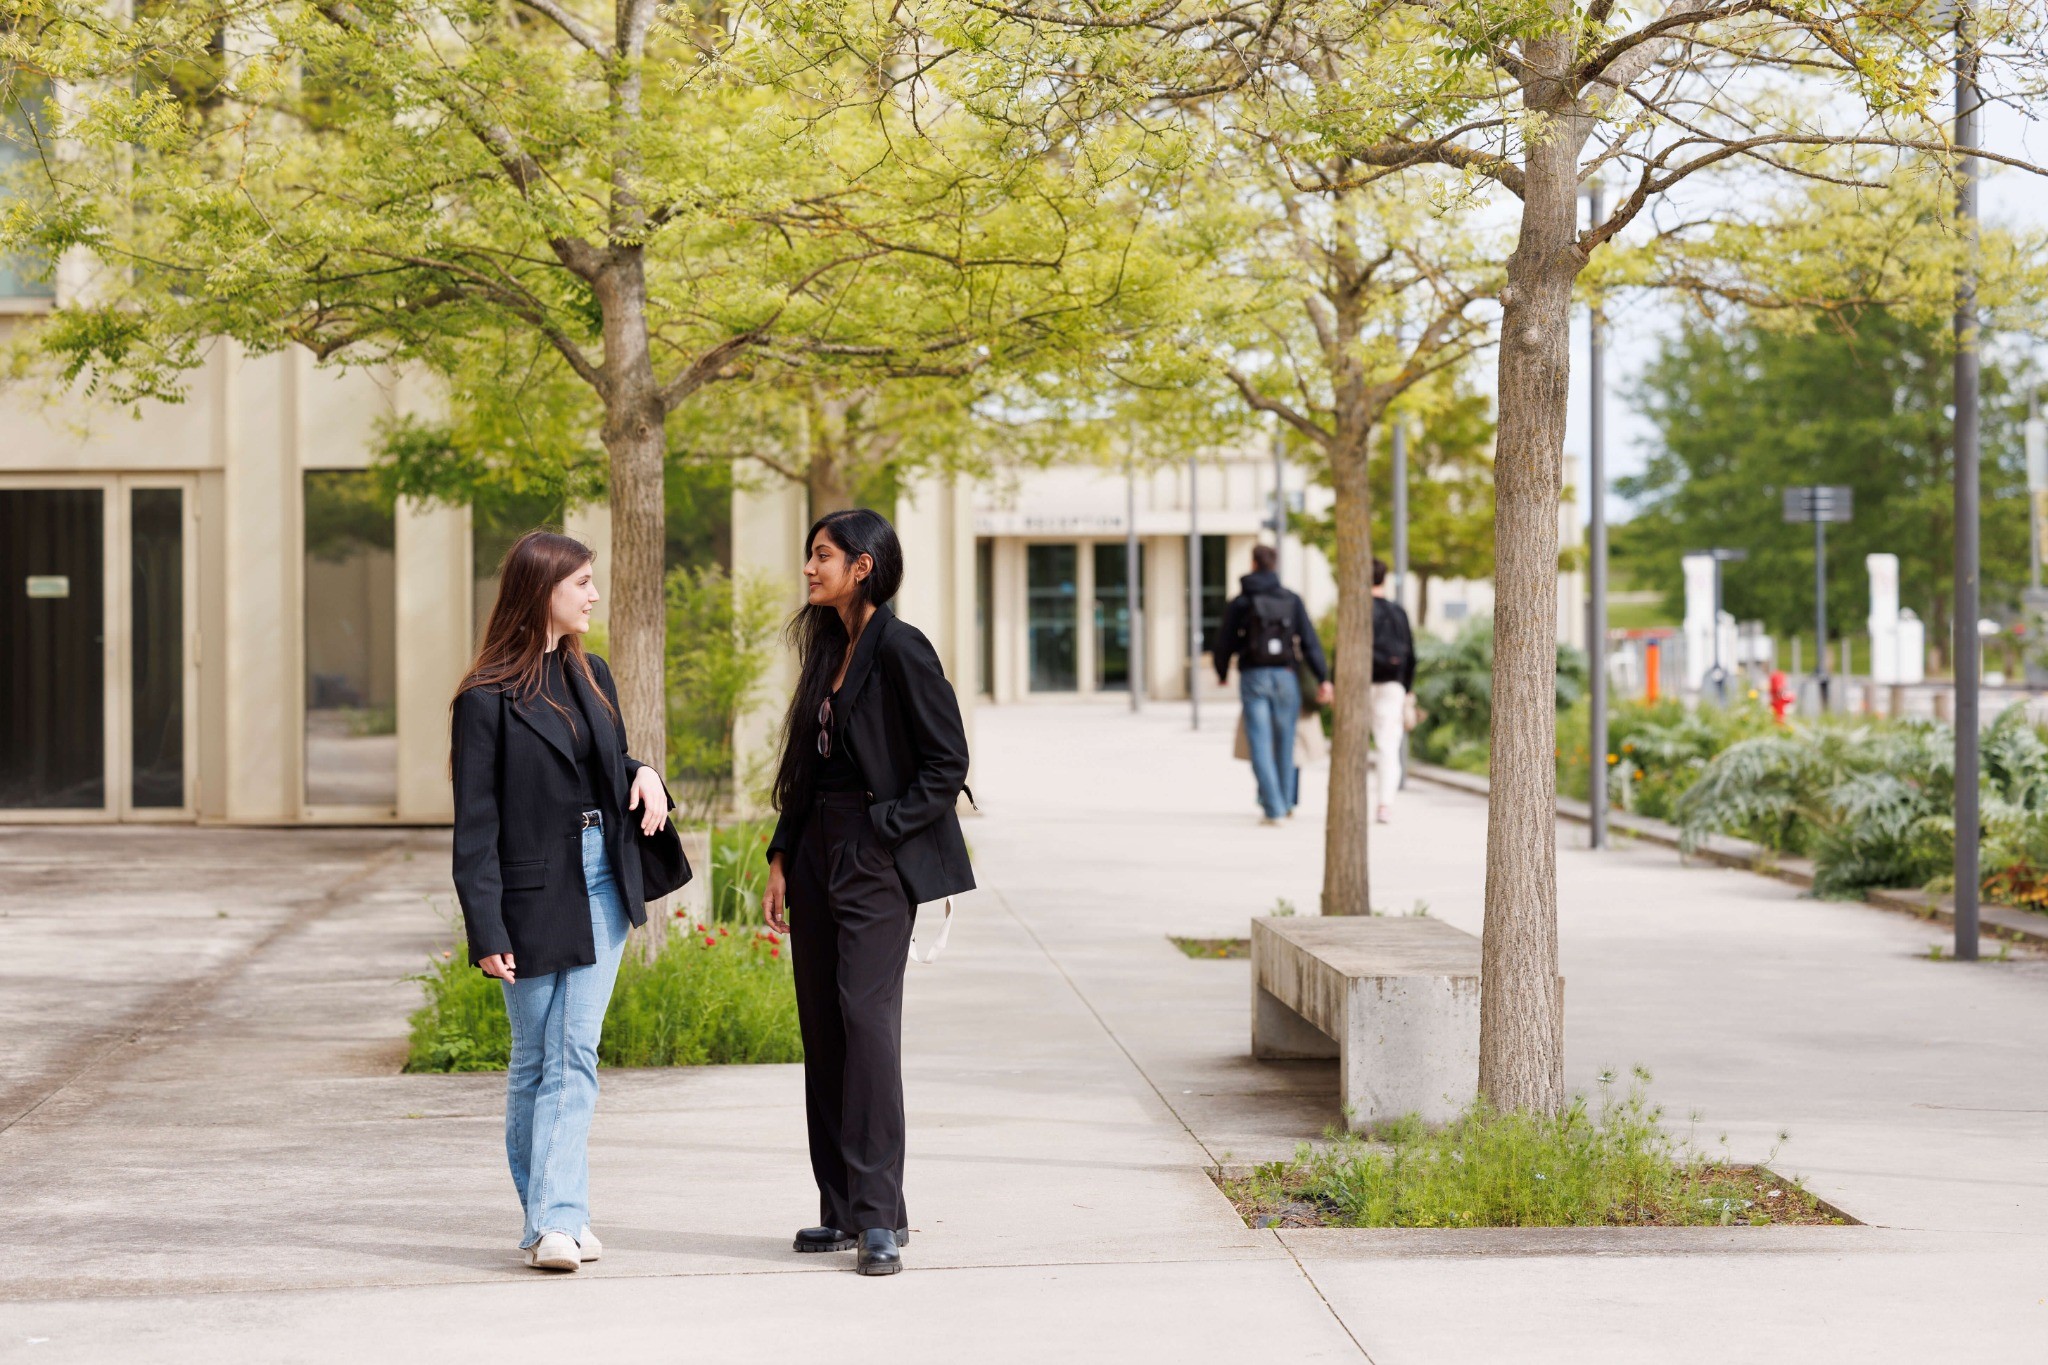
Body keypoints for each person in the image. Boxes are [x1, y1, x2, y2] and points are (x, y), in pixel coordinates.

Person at [449, 531, 673, 1273]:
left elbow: (601, 760)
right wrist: (486, 925)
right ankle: (552, 1215)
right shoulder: (485, 699)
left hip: (603, 875)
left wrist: (644, 773)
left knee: (575, 1050)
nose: (594, 594)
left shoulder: (594, 672)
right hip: (532, 890)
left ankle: (557, 1219)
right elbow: (476, 826)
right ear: (542, 588)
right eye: (581, 581)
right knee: (536, 1059)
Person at [761, 508, 974, 1278]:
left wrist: (886, 828)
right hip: (816, 848)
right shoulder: (830, 649)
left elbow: (947, 762)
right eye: (809, 553)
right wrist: (781, 853)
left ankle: (880, 1215)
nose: (810, 567)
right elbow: (805, 770)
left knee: (868, 1020)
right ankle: (842, 1207)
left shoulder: (901, 647)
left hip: (874, 855)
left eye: (822, 555)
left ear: (863, 566)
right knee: (824, 1025)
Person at [1215, 544, 1333, 824]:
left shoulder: (1241, 602)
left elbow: (1224, 641)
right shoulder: (1291, 599)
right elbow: (1309, 642)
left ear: (1254, 563)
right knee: (1286, 741)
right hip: (1285, 676)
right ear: (1274, 564)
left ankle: (1273, 807)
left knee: (1260, 743)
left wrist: (1222, 671)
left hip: (1254, 676)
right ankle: (1286, 801)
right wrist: (1323, 678)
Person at [1369, 558, 1418, 823]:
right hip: (1393, 684)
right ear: (1383, 579)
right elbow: (1411, 654)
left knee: (1354, 744)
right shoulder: (1398, 612)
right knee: (1388, 747)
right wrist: (1406, 688)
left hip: (1361, 683)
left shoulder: (1357, 611)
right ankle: (1384, 805)